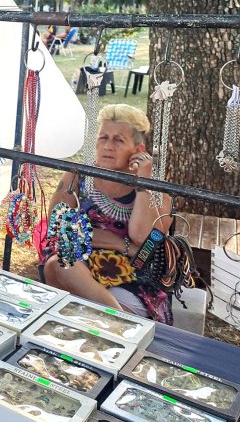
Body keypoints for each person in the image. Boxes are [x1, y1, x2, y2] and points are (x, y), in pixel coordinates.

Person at [42, 104, 173, 322]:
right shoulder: (78, 176)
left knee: (93, 315)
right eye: (103, 138)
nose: (108, 146)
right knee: (62, 262)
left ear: (138, 151)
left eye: (118, 140)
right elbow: (58, 227)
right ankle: (120, 321)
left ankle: (116, 321)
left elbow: (146, 242)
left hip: (133, 279)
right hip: (77, 269)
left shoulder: (158, 191)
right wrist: (121, 244)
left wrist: (143, 183)